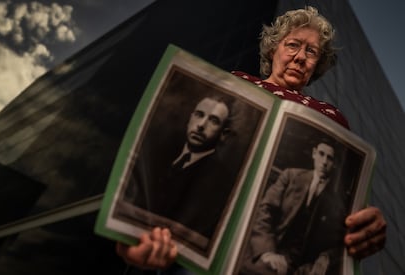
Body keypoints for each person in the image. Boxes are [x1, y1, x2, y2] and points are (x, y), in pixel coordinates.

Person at [116, 6, 387, 274]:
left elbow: (343, 198)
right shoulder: (234, 83)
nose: (301, 57)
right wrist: (138, 230)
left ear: (318, 63)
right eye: (293, 45)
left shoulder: (332, 117)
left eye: (311, 51)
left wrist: (365, 225)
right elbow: (187, 164)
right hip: (208, 246)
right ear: (273, 49)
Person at [120, 95, 236, 251]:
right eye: (199, 115)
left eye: (213, 121)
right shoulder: (156, 152)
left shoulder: (221, 181)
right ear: (190, 118)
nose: (201, 125)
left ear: (224, 134)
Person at [240, 137, 349, 275]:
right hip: (270, 248)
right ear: (314, 153)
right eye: (321, 154)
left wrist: (325, 258)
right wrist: (267, 251)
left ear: (335, 164)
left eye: (330, 158)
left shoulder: (337, 203)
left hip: (302, 266)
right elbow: (264, 211)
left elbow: (339, 243)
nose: (324, 162)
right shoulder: (291, 176)